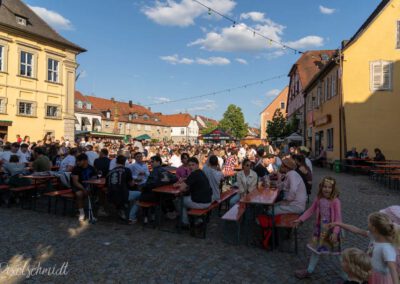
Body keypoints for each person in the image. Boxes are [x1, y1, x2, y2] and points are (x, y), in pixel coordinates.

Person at [293, 177, 343, 279]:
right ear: (321, 187)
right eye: (325, 186)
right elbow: (311, 210)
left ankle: (347, 276)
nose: (326, 189)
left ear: (333, 189)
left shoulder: (335, 201)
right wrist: (300, 219)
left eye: (329, 187)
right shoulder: (318, 198)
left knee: (339, 255)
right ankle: (309, 270)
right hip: (320, 230)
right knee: (316, 251)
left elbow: (338, 218)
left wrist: (335, 232)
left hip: (332, 231)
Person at [330, 212, 400, 284]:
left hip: (380, 279)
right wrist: (339, 224)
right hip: (370, 273)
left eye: (369, 222)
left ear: (374, 228)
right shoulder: (374, 236)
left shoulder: (386, 248)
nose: (367, 224)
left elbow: (393, 270)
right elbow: (356, 230)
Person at [178, 157, 212, 227]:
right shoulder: (201, 172)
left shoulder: (194, 174)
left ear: (197, 165)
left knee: (179, 201)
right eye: (189, 165)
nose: (190, 167)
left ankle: (185, 223)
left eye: (192, 165)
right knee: (188, 198)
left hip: (202, 203)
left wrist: (178, 185)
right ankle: (198, 219)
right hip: (208, 201)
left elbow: (181, 189)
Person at [106, 155, 135, 221]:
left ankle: (120, 208)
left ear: (116, 162)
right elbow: (132, 184)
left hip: (110, 195)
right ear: (125, 162)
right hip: (123, 195)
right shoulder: (127, 170)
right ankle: (132, 216)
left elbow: (106, 186)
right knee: (140, 195)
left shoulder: (110, 172)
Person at [71, 154, 97, 221]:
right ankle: (82, 213)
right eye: (77, 161)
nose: (78, 162)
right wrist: (84, 189)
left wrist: (89, 187)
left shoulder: (92, 168)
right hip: (78, 186)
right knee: (79, 194)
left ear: (85, 161)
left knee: (100, 191)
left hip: (89, 186)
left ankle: (97, 211)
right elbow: (75, 182)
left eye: (80, 161)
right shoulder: (76, 169)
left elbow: (95, 179)